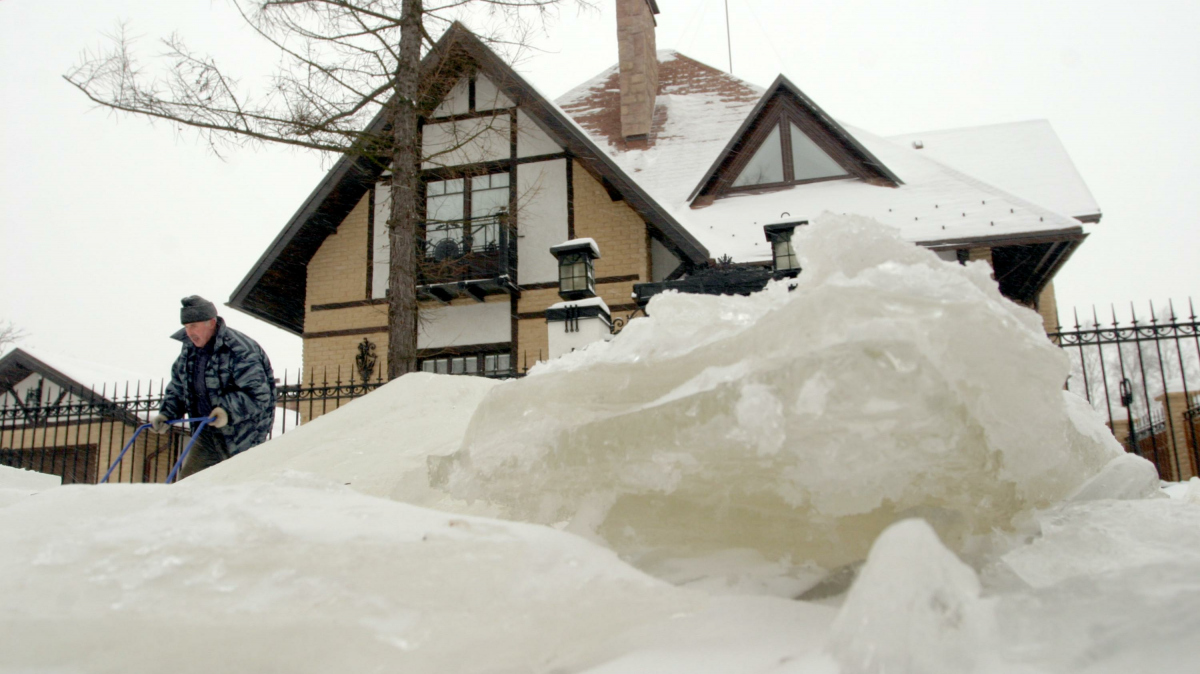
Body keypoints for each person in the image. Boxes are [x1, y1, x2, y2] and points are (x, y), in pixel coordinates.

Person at [152, 296, 276, 479]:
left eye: (193, 326)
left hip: (242, 435)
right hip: (206, 432)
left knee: (235, 487)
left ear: (211, 322)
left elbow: (258, 395)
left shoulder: (239, 349)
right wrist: (167, 413)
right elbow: (179, 387)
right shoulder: (189, 351)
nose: (189, 332)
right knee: (189, 484)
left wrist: (226, 410)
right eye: (186, 327)